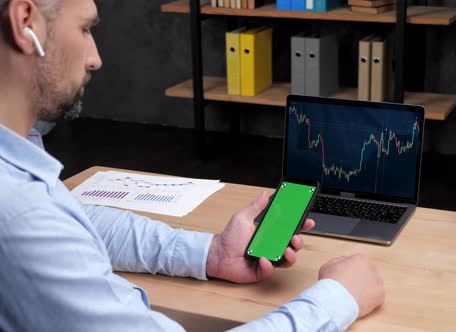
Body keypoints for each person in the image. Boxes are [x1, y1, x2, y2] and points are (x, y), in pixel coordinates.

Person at [0, 0, 385, 331]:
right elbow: (45, 229)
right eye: (85, 29)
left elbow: (76, 221)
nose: (95, 58)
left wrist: (209, 253)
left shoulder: (22, 171)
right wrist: (338, 297)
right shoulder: (20, 214)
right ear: (25, 23)